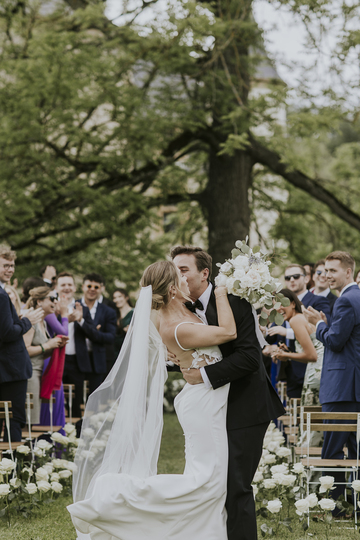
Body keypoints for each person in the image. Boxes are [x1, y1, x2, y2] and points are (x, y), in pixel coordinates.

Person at [68, 260, 237, 539]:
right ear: (172, 289)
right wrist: (221, 290)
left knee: (211, 480)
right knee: (207, 481)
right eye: (181, 277)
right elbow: (229, 333)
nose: (186, 280)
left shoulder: (177, 314)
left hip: (207, 397)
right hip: (203, 403)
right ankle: (113, 496)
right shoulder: (177, 326)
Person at [172, 246, 285, 540]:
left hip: (245, 405)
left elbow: (250, 358)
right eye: (175, 271)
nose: (178, 276)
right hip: (212, 408)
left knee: (236, 486)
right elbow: (203, 354)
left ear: (204, 273)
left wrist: (203, 375)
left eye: (184, 270)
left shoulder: (235, 300)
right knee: (213, 483)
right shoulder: (183, 309)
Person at [303, 250, 360, 502]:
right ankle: (352, 501)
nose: (327, 275)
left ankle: (333, 504)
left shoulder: (347, 300)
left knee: (333, 449)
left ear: (348, 271)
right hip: (352, 386)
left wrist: (318, 324)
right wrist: (328, 324)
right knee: (355, 447)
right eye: (325, 270)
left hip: (342, 386)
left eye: (333, 270)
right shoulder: (354, 297)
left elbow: (335, 342)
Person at [0, 246, 44, 440]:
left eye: (12, 265)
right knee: (14, 419)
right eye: (6, 265)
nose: (10, 270)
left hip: (6, 368)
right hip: (11, 369)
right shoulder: (1, 296)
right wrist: (28, 321)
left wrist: (18, 320)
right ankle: (12, 468)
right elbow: (7, 333)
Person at [271, 289, 324, 407]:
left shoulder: (296, 320)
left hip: (316, 373)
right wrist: (289, 353)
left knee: (310, 420)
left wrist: (285, 355)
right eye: (276, 306)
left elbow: (312, 356)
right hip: (319, 371)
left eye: (282, 304)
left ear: (293, 304)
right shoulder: (300, 317)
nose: (279, 309)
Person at [23, 287, 68, 424]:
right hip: (30, 375)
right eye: (52, 299)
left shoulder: (43, 322)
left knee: (35, 417)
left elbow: (41, 352)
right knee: (30, 420)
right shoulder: (32, 321)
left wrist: (56, 344)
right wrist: (48, 345)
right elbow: (25, 350)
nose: (56, 302)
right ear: (39, 302)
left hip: (38, 373)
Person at [40, 293, 69, 428]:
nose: (55, 301)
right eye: (51, 299)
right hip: (45, 360)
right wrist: (64, 315)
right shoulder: (46, 313)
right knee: (52, 399)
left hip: (46, 359)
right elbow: (64, 332)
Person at [112, 288, 134, 357]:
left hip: (129, 351)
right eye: (114, 298)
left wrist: (132, 331)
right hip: (116, 351)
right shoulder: (114, 315)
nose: (117, 300)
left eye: (119, 296)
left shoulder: (134, 313)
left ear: (126, 297)